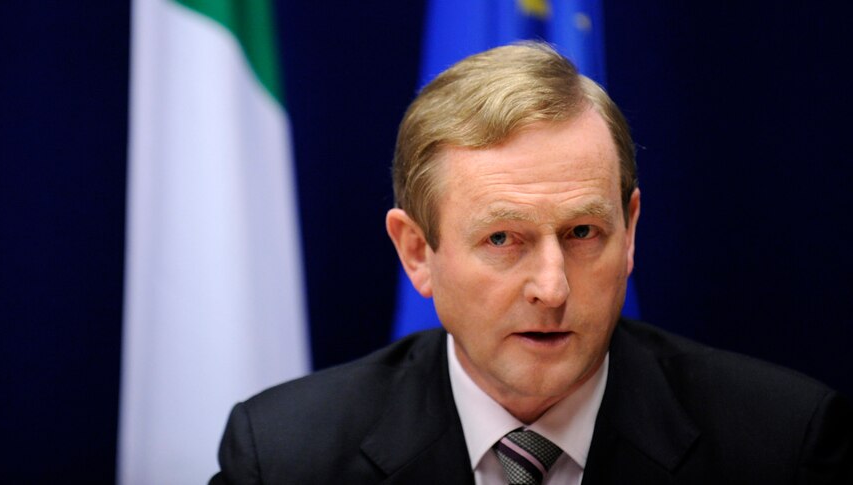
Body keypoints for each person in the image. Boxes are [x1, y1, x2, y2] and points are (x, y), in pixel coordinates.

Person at [210, 42, 852, 484]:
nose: (552, 288)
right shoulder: (285, 455)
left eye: (581, 231)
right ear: (417, 252)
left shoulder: (781, 444)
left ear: (630, 232)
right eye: (502, 240)